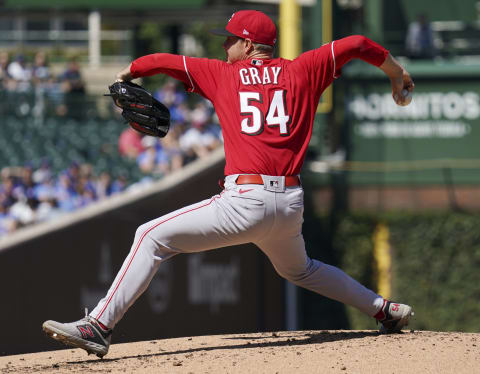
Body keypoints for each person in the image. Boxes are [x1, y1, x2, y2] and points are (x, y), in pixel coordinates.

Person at [43, 10, 415, 358]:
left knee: (149, 235)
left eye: (231, 40)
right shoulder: (305, 69)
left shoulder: (224, 74)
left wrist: (129, 72)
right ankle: (385, 310)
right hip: (288, 204)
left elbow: (166, 61)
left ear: (249, 45)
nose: (225, 46)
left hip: (245, 200)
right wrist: (396, 73)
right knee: (300, 270)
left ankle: (99, 326)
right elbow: (358, 43)